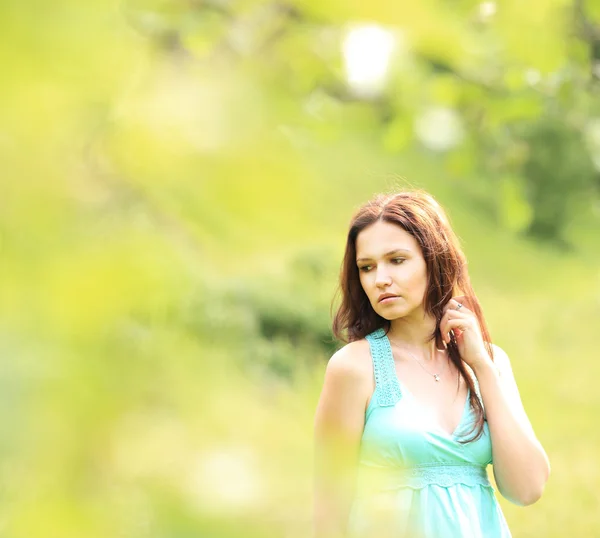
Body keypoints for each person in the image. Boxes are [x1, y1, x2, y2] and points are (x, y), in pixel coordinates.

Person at [313, 190, 550, 538]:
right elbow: (329, 508)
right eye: (367, 267)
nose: (380, 278)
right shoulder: (353, 367)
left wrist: (482, 367)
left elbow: (527, 489)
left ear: (434, 260)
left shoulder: (490, 362)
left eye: (397, 260)